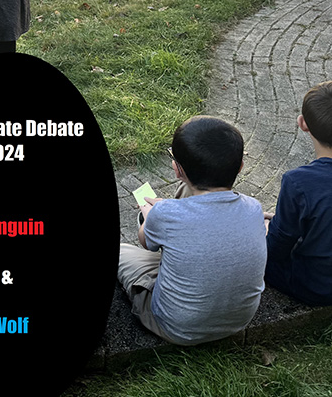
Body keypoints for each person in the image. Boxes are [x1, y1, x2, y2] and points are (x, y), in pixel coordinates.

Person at [118, 116, 267, 345]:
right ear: (240, 166)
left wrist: (149, 215)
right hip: (238, 321)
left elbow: (146, 242)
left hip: (176, 327)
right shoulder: (254, 208)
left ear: (177, 169)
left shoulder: (164, 214)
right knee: (187, 197)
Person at [265, 80, 332, 305]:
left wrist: (266, 230)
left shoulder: (298, 182)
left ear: (302, 124)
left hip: (317, 286)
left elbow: (276, 248)